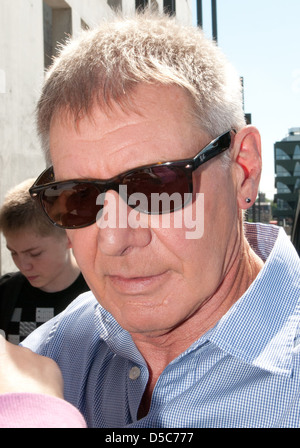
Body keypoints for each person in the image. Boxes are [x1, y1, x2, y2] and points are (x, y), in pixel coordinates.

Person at [2, 12, 299, 428]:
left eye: (156, 186)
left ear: (243, 170)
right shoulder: (54, 350)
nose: (113, 239)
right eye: (78, 197)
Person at [0, 178, 90, 344]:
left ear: (69, 238)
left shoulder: (99, 294)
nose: (23, 265)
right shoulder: (5, 293)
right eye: (13, 253)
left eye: (35, 253)